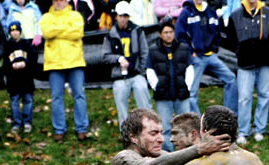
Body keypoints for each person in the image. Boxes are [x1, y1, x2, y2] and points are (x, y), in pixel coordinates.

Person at [228, 0, 269, 144]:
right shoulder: (236, 14)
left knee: (264, 95)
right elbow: (231, 39)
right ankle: (243, 131)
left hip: (265, 62)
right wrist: (241, 51)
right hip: (245, 62)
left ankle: (259, 129)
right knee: (244, 97)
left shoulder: (268, 13)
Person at [175, 0, 237, 114]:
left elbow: (217, 31)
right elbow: (179, 34)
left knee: (231, 78)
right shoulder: (187, 11)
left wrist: (214, 47)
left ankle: (229, 114)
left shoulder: (211, 11)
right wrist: (190, 51)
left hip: (211, 56)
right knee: (192, 91)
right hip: (196, 57)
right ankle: (197, 120)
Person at [40, 0, 89, 142]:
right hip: (54, 64)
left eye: (61, 0)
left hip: (75, 62)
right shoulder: (46, 17)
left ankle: (82, 128)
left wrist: (56, 30)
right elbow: (46, 33)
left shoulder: (76, 15)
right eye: (55, 0)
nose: (58, 3)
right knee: (56, 97)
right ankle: (59, 129)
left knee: (79, 95)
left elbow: (77, 32)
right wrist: (66, 29)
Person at [101, 1, 152, 129]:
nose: (123, 19)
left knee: (145, 106)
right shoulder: (110, 35)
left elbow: (144, 52)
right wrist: (118, 59)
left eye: (126, 16)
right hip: (119, 77)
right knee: (122, 111)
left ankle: (148, 131)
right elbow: (105, 56)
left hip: (136, 74)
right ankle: (126, 137)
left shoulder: (137, 31)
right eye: (121, 16)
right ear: (116, 16)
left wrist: (141, 69)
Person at [146, 17, 192, 152]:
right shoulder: (153, 50)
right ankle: (167, 154)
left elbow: (189, 68)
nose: (169, 35)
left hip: (181, 93)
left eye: (171, 32)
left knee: (185, 125)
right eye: (165, 32)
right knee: (165, 127)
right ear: (160, 34)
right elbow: (149, 70)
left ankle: (186, 152)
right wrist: (156, 86)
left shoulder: (183, 48)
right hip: (163, 95)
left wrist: (187, 86)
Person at [3, 20, 37, 134]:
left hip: (26, 77)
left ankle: (27, 122)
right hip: (13, 79)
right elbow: (5, 64)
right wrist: (11, 66)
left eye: (16, 30)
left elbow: (33, 58)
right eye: (12, 31)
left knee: (28, 99)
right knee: (14, 101)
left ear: (20, 31)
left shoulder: (26, 44)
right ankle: (16, 123)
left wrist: (25, 63)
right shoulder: (7, 45)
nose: (15, 33)